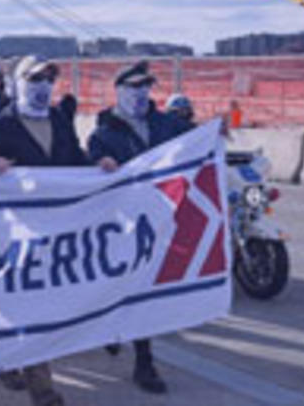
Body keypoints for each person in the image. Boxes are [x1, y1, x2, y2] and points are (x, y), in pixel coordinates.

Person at [0, 55, 87, 406]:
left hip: (54, 230)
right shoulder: (1, 123)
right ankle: (42, 388)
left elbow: (75, 161)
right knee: (22, 304)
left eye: (49, 78)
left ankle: (12, 360)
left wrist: (102, 167)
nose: (42, 85)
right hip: (13, 232)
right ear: (18, 82)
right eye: (34, 78)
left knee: (39, 306)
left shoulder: (59, 121)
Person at [87, 60, 191, 395]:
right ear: (118, 91)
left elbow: (193, 143)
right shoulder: (103, 134)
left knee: (146, 292)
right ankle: (111, 331)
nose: (141, 93)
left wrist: (214, 133)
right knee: (122, 288)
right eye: (133, 86)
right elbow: (87, 168)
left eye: (145, 86)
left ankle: (144, 361)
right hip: (122, 224)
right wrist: (98, 164)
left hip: (160, 218)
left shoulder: (166, 124)